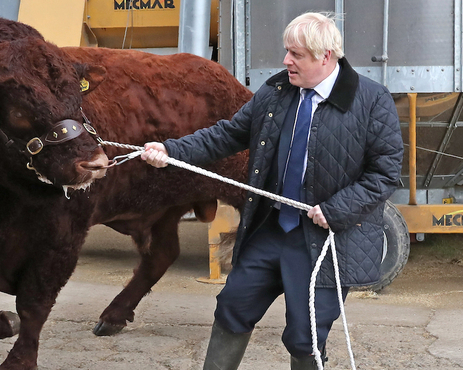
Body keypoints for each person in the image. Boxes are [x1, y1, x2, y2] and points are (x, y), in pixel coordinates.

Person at [141, 12, 403, 370]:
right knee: (232, 306)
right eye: (286, 51)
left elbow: (385, 174)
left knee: (304, 336)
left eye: (295, 54)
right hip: (272, 228)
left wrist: (338, 209)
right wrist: (172, 151)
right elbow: (227, 134)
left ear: (325, 56)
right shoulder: (276, 92)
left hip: (328, 240)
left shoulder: (372, 101)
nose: (285, 61)